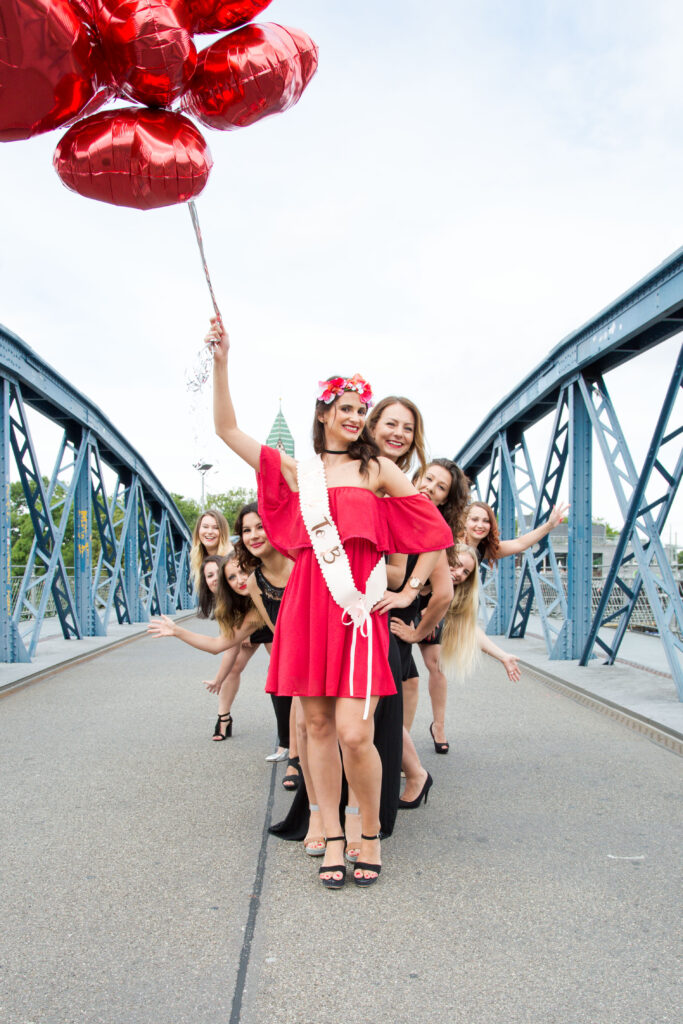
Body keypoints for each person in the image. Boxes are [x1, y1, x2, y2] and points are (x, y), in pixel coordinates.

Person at [207, 318, 453, 888]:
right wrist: (223, 362)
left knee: (355, 733)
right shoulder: (301, 471)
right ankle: (334, 839)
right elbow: (227, 429)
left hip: (358, 613)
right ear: (322, 413)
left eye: (358, 410)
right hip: (308, 606)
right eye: (343, 407)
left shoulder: (379, 469)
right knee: (316, 726)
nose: (353, 417)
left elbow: (433, 530)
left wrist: (408, 591)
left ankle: (369, 832)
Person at [364, 397, 451, 808]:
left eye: (408, 428)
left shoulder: (412, 505)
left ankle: (415, 773)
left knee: (378, 707)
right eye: (391, 424)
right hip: (374, 609)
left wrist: (410, 600)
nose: (399, 434)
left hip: (388, 614)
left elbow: (442, 588)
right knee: (372, 707)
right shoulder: (389, 483)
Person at [462, 500, 570, 565]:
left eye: (486, 521)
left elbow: (520, 543)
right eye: (474, 519)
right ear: (464, 522)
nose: (480, 525)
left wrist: (549, 525)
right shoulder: (452, 545)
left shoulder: (482, 550)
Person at [189, 508, 232, 591]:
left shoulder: (231, 558)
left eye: (216, 528)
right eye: (205, 527)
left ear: (223, 532)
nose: (209, 531)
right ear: (198, 530)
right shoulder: (198, 558)